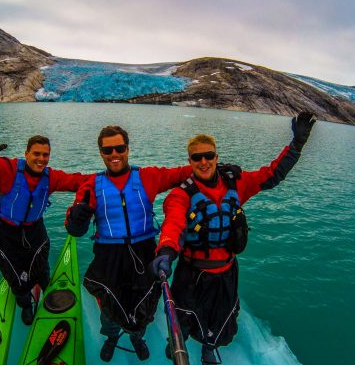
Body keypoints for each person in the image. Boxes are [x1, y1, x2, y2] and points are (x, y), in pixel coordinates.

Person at [149, 112, 316, 365]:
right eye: (197, 157)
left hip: (226, 273)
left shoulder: (235, 184)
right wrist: (166, 251)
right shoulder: (180, 196)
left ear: (217, 157)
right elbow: (173, 224)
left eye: (209, 156)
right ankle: (177, 341)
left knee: (219, 320)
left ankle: (208, 350)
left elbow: (271, 175)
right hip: (192, 274)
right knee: (184, 317)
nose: (203, 162)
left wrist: (296, 146)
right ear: (190, 161)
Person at [65, 125, 240, 362]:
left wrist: (219, 168)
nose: (114, 153)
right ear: (101, 153)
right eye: (108, 150)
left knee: (144, 301)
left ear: (127, 148)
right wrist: (76, 221)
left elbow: (185, 172)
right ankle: (112, 336)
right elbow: (76, 226)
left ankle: (137, 336)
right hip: (108, 253)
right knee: (109, 303)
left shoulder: (147, 176)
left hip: (143, 248)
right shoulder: (91, 184)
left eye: (120, 147)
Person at [0, 135, 88, 325]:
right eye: (36, 154)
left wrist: (108, 179)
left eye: (45, 155)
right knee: (14, 271)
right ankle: (25, 303)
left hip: (34, 229)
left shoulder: (51, 178)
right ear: (26, 154)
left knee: (40, 260)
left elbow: (77, 181)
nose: (41, 159)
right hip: (5, 231)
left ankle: (44, 283)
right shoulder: (8, 168)